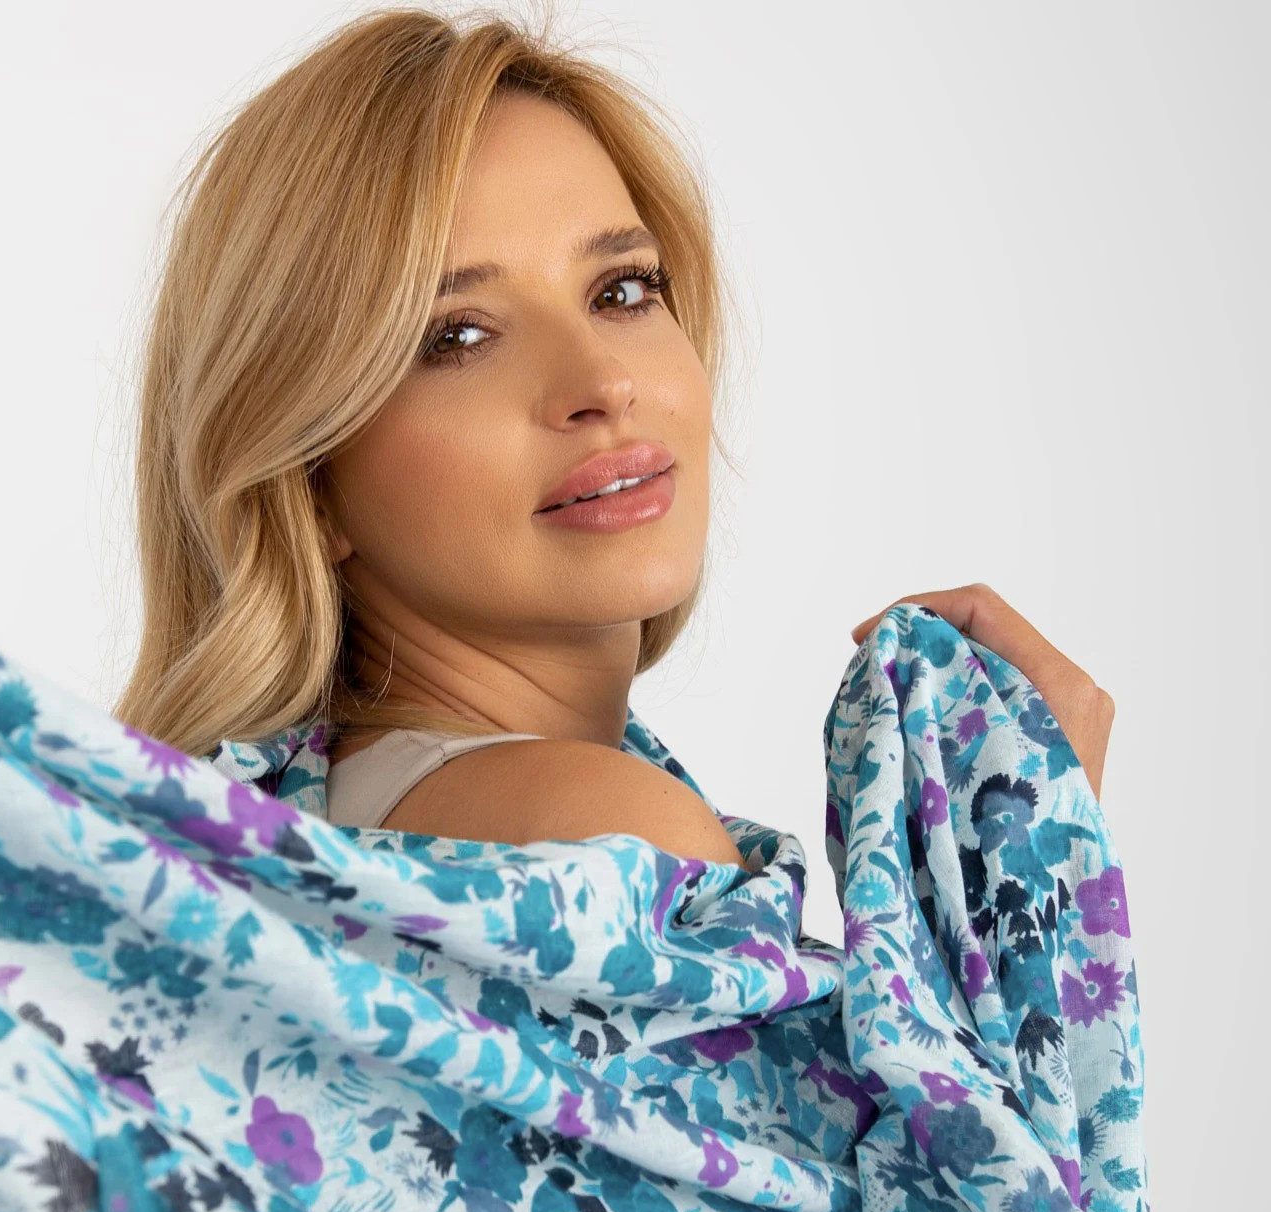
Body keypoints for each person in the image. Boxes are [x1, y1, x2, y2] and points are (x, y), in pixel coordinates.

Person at [113, 3, 1114, 860]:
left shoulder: (328, 817)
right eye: (457, 335)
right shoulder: (605, 835)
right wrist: (1032, 856)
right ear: (310, 479)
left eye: (623, 289)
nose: (602, 381)